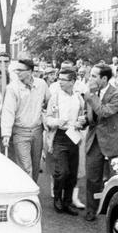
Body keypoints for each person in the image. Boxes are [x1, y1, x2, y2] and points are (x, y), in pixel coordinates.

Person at [81, 64, 118, 222]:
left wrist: (91, 96)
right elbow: (92, 116)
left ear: (104, 78)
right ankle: (91, 209)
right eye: (90, 75)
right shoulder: (92, 93)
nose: (90, 79)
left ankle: (115, 211)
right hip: (94, 141)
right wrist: (84, 120)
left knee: (114, 179)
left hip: (112, 141)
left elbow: (105, 112)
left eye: (94, 76)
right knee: (93, 178)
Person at [44, 68, 86, 215]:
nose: (60, 82)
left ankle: (67, 202)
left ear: (73, 81)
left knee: (72, 173)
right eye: (59, 79)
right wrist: (57, 121)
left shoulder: (78, 98)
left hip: (74, 137)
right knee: (62, 171)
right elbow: (47, 118)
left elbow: (83, 117)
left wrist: (81, 122)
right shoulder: (55, 98)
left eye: (63, 79)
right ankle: (57, 198)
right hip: (59, 137)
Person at [0, 59, 48, 182]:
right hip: (20, 132)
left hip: (37, 131)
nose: (18, 73)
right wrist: (6, 133)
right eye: (17, 70)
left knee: (36, 166)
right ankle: (28, 197)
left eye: (21, 70)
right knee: (26, 167)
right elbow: (8, 111)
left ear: (30, 71)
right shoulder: (13, 88)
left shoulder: (41, 84)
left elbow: (48, 101)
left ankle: (33, 193)